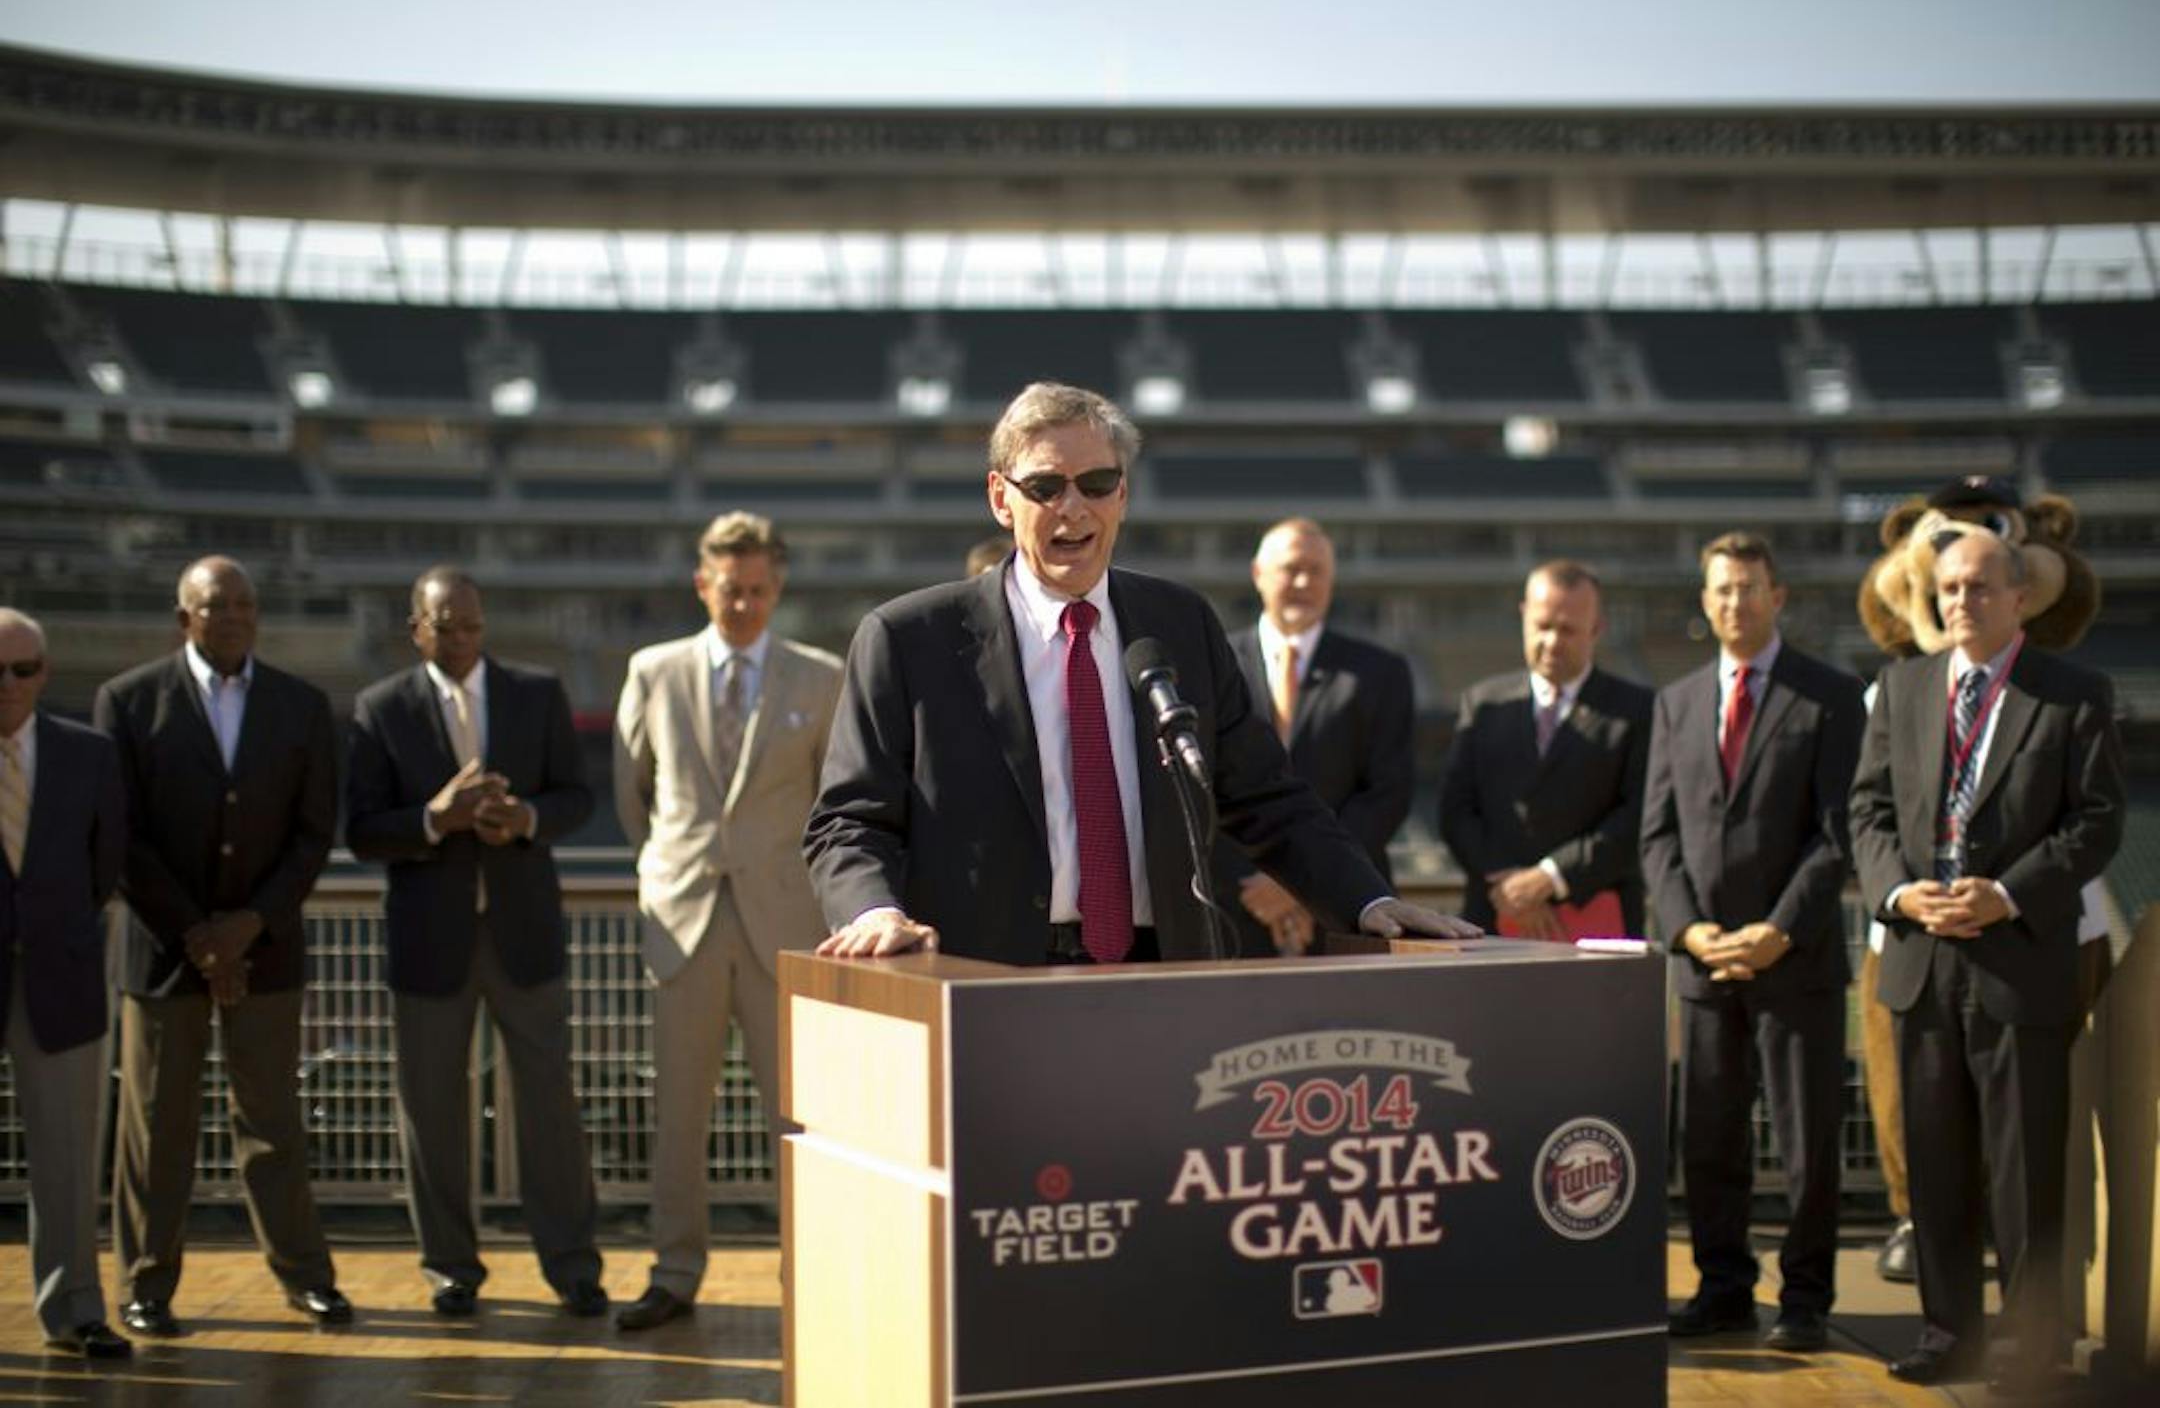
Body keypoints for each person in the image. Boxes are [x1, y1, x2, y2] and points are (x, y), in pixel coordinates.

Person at [807, 380, 1473, 964]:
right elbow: (849, 820)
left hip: (1160, 976)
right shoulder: (906, 640)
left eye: (1096, 483)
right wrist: (874, 912)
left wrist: (1367, 898)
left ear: (1122, 494)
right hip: (983, 980)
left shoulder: (1180, 624)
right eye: (1045, 486)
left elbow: (1268, 798)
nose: (1074, 507)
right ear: (1000, 499)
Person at [1850, 533, 2124, 1394]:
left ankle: (2034, 1342)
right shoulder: (1903, 686)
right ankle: (1946, 1335)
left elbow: (2098, 820)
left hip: (2018, 960)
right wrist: (1899, 895)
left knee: (2026, 1170)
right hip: (1923, 959)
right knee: (1935, 1166)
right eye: (1947, 588)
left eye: (1976, 586)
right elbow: (1868, 810)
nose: (1959, 600)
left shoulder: (2074, 694)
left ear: (2019, 599)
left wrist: (2005, 893)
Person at [93, 557, 348, 1336]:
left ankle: (305, 1277)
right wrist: (199, 935)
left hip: (265, 951)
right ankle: (146, 1285)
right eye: (215, 604)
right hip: (164, 953)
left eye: (244, 602)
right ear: (185, 618)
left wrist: (247, 926)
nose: (233, 615)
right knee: (155, 1127)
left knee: (272, 1121)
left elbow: (312, 837)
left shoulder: (303, 706)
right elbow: (122, 835)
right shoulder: (129, 701)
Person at [344, 567, 607, 1319]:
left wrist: (521, 818)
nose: (460, 638)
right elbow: (361, 829)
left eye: (471, 625)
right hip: (431, 941)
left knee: (551, 1107)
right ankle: (450, 1268)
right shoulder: (380, 708)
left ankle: (573, 1266)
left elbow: (575, 798)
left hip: (524, 933)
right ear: (415, 628)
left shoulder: (536, 692)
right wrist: (434, 818)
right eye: (444, 625)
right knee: (430, 1109)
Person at [612, 513, 842, 1331]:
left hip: (785, 926)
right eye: (728, 589)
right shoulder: (653, 670)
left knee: (800, 1121)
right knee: (679, 1116)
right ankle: (674, 1273)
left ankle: (811, 1273)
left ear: (776, 586)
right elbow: (631, 791)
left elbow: (831, 807)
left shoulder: (820, 677)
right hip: (684, 925)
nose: (742, 603)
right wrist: (667, 869)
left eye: (756, 589)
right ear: (701, 584)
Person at [1642, 533, 1864, 1353]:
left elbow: (1838, 834)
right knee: (1710, 1140)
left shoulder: (1831, 696)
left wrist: (1776, 929)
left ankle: (1805, 1299)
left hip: (1793, 959)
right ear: (1706, 601)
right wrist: (1690, 928)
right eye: (1721, 590)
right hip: (1704, 963)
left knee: (1807, 1144)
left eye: (1749, 588)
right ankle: (1723, 1288)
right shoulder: (1676, 702)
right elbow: (1657, 838)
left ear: (1780, 596)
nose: (1735, 602)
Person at [0, 609, 130, 1359]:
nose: (9, 685)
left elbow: (104, 862)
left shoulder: (88, 754)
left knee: (67, 1155)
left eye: (23, 669)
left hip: (60, 974)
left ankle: (77, 1307)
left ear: (45, 672)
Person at [1213, 517, 1414, 954]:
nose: (1303, 581)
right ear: (1258, 574)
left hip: (1348, 911)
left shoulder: (1380, 673)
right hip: (1233, 910)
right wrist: (1256, 884)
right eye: (1290, 569)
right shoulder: (1212, 663)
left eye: (1317, 571)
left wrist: (1304, 881)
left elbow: (1388, 794)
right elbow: (1197, 785)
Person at [1437, 561, 1654, 939]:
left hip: (1597, 923)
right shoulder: (1482, 704)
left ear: (1597, 629)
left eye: (1567, 630)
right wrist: (1509, 887)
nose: (1552, 641)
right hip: (1490, 919)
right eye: (1543, 626)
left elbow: (1638, 817)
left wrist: (1550, 877)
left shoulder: (1639, 711)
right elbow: (1455, 811)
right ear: (1524, 615)